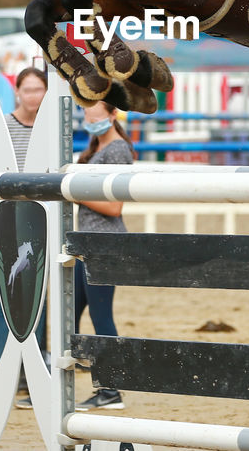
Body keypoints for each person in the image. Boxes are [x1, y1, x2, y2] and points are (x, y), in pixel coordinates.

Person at [71, 100, 136, 411]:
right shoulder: (97, 147)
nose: (91, 118)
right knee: (68, 312)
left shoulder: (117, 150)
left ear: (112, 114)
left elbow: (114, 207)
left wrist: (74, 192)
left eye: (97, 113)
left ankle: (111, 389)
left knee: (100, 315)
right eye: (87, 112)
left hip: (104, 244)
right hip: (88, 243)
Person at [0, 67, 49, 409]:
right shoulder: (4, 125)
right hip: (7, 218)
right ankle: (3, 368)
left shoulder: (52, 126)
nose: (33, 96)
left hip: (41, 218)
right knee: (4, 295)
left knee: (39, 294)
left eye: (38, 90)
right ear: (18, 92)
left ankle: (34, 369)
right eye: (28, 90)